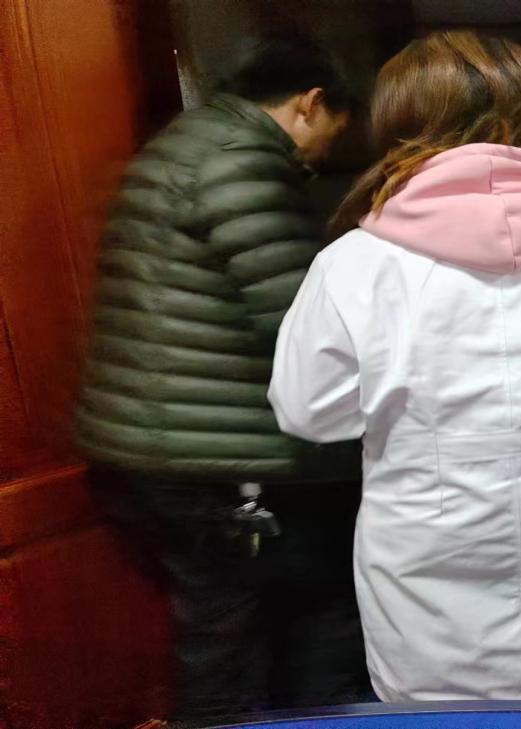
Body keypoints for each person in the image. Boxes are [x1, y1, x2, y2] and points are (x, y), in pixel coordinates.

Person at [268, 31, 521, 703]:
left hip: (423, 552)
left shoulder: (353, 264)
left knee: (437, 711)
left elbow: (309, 413)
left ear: (398, 124)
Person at [76, 36, 367, 719]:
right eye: (332, 132)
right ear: (310, 103)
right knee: (258, 627)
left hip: (150, 445)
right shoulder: (243, 164)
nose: (320, 154)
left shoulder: (183, 146)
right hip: (214, 460)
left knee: (224, 622)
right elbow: (298, 329)